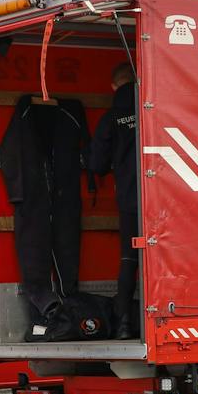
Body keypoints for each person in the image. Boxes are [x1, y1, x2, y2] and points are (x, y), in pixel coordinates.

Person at [90, 62, 140, 338]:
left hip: (129, 199)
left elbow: (97, 163)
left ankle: (123, 325)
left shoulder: (111, 118)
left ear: (113, 87)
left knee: (128, 259)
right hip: (161, 199)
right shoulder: (152, 108)